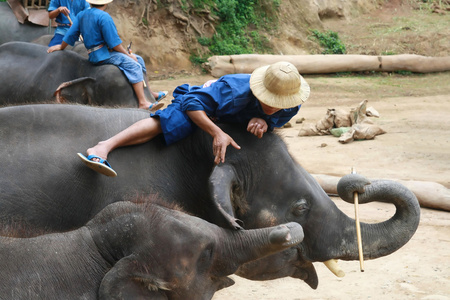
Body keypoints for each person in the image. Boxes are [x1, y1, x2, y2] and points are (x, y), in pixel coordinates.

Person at [77, 61, 311, 177]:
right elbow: (192, 104)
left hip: (230, 117)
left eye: (278, 103)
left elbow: (276, 119)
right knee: (167, 122)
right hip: (204, 105)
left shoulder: (291, 104)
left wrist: (265, 121)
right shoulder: (232, 90)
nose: (274, 107)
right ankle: (103, 147)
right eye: (268, 100)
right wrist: (216, 132)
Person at [47, 0, 167, 110]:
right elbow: (114, 44)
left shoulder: (81, 15)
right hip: (103, 55)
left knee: (139, 59)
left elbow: (70, 35)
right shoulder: (104, 17)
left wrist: (61, 46)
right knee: (134, 65)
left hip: (93, 53)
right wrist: (128, 55)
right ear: (106, 4)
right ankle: (142, 103)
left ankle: (150, 94)